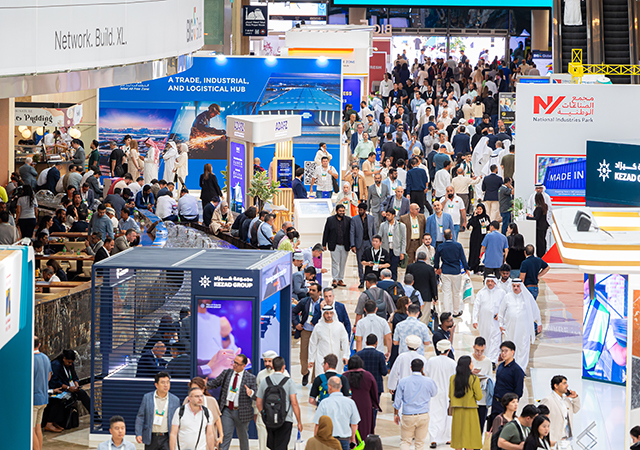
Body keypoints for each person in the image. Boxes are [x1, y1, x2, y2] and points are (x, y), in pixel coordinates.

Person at [206, 354, 257, 450]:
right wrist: (203, 385)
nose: (234, 365)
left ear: (244, 366)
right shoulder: (226, 373)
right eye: (234, 362)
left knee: (243, 437)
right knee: (225, 435)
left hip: (242, 412)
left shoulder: (250, 378)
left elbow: (256, 395)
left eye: (237, 364)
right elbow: (214, 383)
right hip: (227, 410)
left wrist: (251, 393)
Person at [256, 356, 303, 450]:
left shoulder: (265, 381)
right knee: (282, 446)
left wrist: (264, 414)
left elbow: (258, 402)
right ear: (283, 367)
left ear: (273, 367)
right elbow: (294, 403)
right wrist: (299, 422)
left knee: (273, 446)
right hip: (285, 419)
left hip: (269, 419)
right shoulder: (289, 382)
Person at [393, 358, 438, 450]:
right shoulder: (428, 381)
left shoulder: (403, 381)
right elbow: (434, 393)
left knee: (405, 441)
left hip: (408, 415)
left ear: (411, 368)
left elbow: (397, 400)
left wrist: (396, 414)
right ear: (422, 368)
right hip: (423, 415)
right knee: (420, 443)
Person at [499, 279, 541, 370]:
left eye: (518, 286)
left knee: (523, 347)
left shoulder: (527, 297)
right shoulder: (507, 297)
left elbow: (535, 309)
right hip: (510, 328)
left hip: (523, 329)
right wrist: (500, 324)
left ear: (521, 286)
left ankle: (521, 368)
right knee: (510, 346)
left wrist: (539, 322)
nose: (516, 288)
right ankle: (510, 366)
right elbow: (501, 311)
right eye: (514, 286)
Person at [134, 372, 180, 450]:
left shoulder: (175, 400)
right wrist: (138, 433)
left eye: (168, 382)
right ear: (156, 385)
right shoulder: (147, 397)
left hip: (166, 437)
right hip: (151, 437)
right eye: (163, 382)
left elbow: (178, 420)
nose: (166, 385)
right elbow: (140, 416)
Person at [313, 377, 361, 450]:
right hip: (344, 440)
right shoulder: (350, 402)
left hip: (328, 440)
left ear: (329, 387)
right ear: (341, 386)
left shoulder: (324, 403)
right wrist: (352, 438)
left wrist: (316, 440)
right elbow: (354, 423)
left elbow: (318, 424)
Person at [255, 351, 290, 450]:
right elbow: (258, 395)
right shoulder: (261, 374)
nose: (267, 364)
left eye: (269, 361)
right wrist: (257, 412)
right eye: (265, 361)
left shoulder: (285, 375)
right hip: (264, 413)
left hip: (279, 414)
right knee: (263, 441)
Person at [425, 340, 456, 448]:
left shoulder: (431, 361)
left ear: (437, 349)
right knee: (447, 416)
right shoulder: (452, 363)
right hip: (448, 393)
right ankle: (448, 438)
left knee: (433, 415)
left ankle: (433, 439)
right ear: (449, 350)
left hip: (434, 393)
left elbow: (427, 376)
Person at [448, 355, 482, 450]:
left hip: (457, 411)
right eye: (471, 363)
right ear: (468, 366)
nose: (472, 364)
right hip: (470, 411)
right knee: (470, 438)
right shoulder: (474, 379)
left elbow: (450, 395)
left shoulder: (453, 378)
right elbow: (479, 396)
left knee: (458, 437)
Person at [292, 282, 322, 386]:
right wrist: (296, 324)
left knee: (318, 355)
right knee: (303, 355)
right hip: (306, 331)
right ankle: (305, 373)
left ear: (319, 292)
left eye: (313, 290)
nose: (311, 292)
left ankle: (314, 378)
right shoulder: (304, 301)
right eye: (310, 290)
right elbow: (293, 312)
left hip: (318, 332)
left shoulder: (323, 303)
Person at [434, 229, 470, 316]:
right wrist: (466, 268)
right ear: (452, 236)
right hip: (456, 271)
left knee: (446, 293)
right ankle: (455, 312)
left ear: (443, 236)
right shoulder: (458, 245)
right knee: (456, 293)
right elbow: (463, 258)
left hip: (445, 271)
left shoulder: (440, 247)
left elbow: (436, 258)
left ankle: (446, 312)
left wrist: (437, 268)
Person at [344, 355, 381, 439]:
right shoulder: (368, 376)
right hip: (365, 405)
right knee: (365, 426)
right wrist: (375, 404)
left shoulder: (344, 376)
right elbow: (374, 392)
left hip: (348, 404)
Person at [472, 275, 506, 363]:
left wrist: (501, 314)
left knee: (496, 340)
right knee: (485, 339)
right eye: (488, 281)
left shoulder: (501, 292)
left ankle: (493, 361)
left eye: (492, 281)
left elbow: (505, 306)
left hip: (496, 322)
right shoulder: (481, 293)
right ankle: (486, 359)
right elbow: (476, 307)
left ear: (495, 282)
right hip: (484, 321)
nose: (490, 283)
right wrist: (474, 320)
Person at [539, 375, 581, 443]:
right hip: (553, 438)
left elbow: (576, 409)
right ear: (556, 386)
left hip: (566, 438)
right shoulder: (548, 400)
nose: (567, 385)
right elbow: (540, 419)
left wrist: (575, 397)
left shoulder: (566, 400)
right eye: (564, 383)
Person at [309, 306, 350, 374]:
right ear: (323, 314)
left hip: (336, 358)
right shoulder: (318, 327)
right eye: (327, 313)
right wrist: (311, 359)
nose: (329, 315)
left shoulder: (339, 326)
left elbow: (345, 341)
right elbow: (313, 343)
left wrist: (346, 355)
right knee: (322, 378)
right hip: (322, 359)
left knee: (335, 378)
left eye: (331, 313)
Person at [491, 341, 525, 420]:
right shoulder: (500, 366)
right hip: (496, 403)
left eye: (506, 351)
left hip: (507, 405)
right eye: (502, 351)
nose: (503, 353)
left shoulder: (517, 370)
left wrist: (511, 404)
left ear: (512, 352)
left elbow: (518, 391)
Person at [354, 334, 387, 413]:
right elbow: (384, 372)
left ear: (365, 342)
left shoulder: (358, 355)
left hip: (361, 385)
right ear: (376, 343)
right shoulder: (380, 355)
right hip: (376, 386)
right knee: (374, 408)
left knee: (362, 409)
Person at [322, 204, 351, 288]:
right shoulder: (330, 220)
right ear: (336, 211)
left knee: (343, 263)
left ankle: (340, 279)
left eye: (343, 211)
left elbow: (351, 233)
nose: (342, 212)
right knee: (335, 262)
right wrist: (324, 244)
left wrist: (352, 244)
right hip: (334, 245)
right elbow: (326, 232)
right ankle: (335, 279)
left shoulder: (348, 220)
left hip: (345, 245)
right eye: (340, 211)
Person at [351, 202, 376, 288]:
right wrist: (352, 245)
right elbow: (352, 232)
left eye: (361, 210)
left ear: (365, 210)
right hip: (359, 243)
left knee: (370, 262)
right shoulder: (354, 219)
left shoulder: (371, 218)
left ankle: (369, 280)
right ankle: (361, 280)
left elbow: (374, 231)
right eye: (359, 210)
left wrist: (375, 242)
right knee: (360, 262)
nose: (359, 211)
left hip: (369, 242)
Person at [406, 251, 438, 319]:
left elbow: (407, 280)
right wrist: (435, 296)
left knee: (413, 315)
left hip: (413, 296)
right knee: (424, 317)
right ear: (426, 258)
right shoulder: (430, 268)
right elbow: (433, 283)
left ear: (416, 258)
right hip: (426, 296)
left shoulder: (410, 267)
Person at [33, 337, 52, 450]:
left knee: (31, 430)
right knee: (38, 428)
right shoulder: (46, 358)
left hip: (34, 400)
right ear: (39, 344)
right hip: (44, 398)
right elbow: (49, 377)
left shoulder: (31, 360)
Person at [378, 207, 407, 280]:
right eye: (386, 215)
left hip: (396, 251)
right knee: (384, 269)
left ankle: (394, 284)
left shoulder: (401, 226)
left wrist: (402, 252)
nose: (387, 216)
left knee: (394, 270)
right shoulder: (383, 225)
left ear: (393, 215)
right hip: (385, 250)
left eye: (389, 215)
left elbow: (403, 240)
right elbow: (379, 237)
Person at [467, 203, 490, 274]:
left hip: (483, 237)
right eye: (478, 209)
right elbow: (472, 224)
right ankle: (472, 266)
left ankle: (480, 267)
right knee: (474, 251)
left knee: (481, 252)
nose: (479, 210)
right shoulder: (474, 217)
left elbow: (489, 227)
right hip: (475, 237)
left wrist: (485, 225)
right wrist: (474, 216)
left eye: (480, 209)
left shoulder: (486, 217)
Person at [527, 193, 550, 258]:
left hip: (539, 226)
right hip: (544, 225)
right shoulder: (545, 206)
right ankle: (544, 253)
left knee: (539, 241)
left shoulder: (539, 208)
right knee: (543, 240)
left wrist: (528, 217)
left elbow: (537, 218)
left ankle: (540, 254)